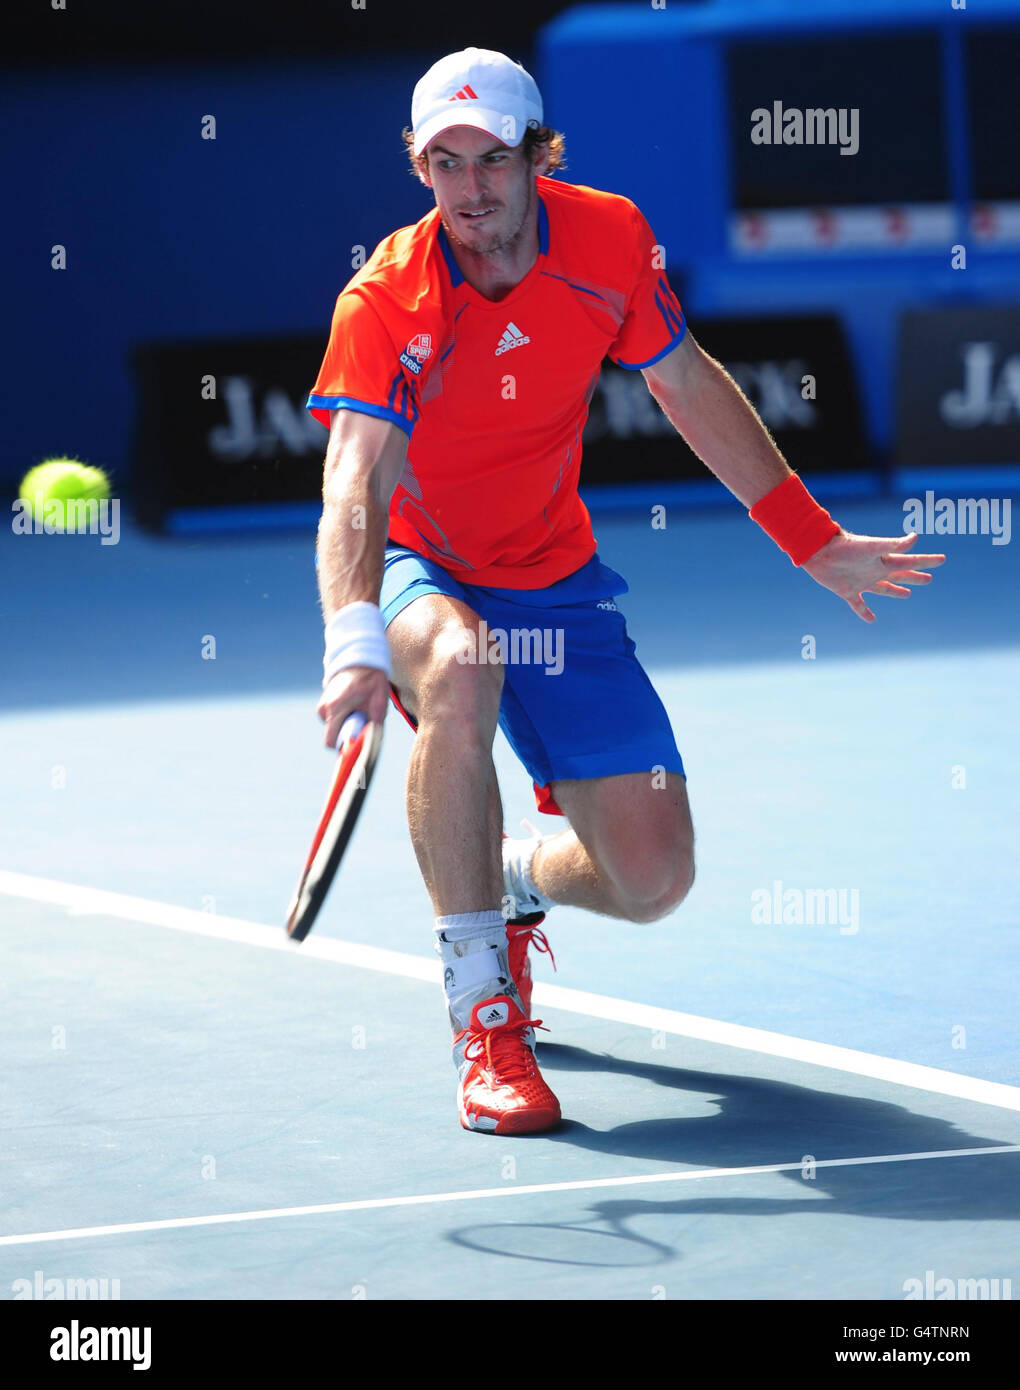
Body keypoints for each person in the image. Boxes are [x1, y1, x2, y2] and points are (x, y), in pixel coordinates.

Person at [306, 47, 944, 1136]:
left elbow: (684, 379)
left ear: (538, 155)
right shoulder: (388, 297)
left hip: (554, 572)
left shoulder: (607, 237)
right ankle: (485, 1018)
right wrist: (353, 637)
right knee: (460, 669)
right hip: (428, 563)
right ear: (420, 170)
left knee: (653, 879)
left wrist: (808, 535)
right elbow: (356, 474)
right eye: (444, 163)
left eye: (493, 159)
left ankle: (507, 872)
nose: (471, 189)